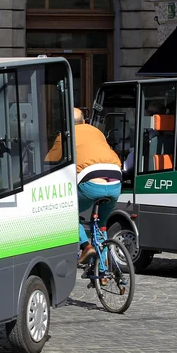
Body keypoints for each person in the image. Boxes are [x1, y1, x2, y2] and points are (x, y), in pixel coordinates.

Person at [47, 107, 122, 268]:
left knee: (68, 213)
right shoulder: (96, 132)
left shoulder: (65, 136)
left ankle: (85, 247)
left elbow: (49, 162)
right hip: (116, 179)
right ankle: (103, 271)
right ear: (84, 121)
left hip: (91, 181)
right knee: (101, 224)